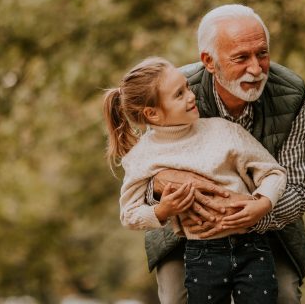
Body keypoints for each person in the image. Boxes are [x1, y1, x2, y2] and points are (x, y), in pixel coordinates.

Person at [145, 4, 305, 304]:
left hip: (269, 224)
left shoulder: (295, 96)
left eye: (262, 54)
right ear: (209, 61)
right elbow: (142, 184)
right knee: (176, 297)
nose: (256, 68)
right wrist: (166, 189)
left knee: (285, 295)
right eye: (241, 58)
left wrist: (256, 212)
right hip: (188, 231)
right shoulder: (169, 92)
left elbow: (301, 188)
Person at [103, 56, 287, 304]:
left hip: (252, 246)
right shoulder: (141, 157)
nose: (191, 96)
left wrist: (263, 203)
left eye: (187, 87)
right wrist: (162, 210)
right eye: (179, 94)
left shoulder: (224, 130)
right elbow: (129, 214)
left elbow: (274, 172)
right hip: (203, 254)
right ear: (152, 114)